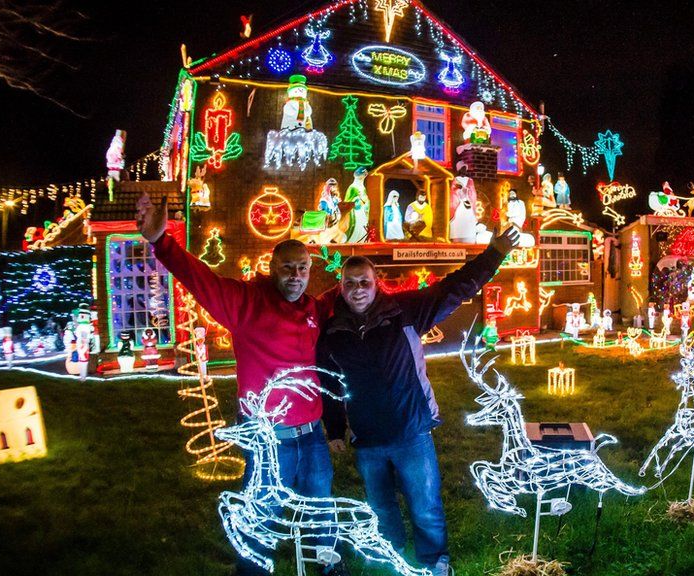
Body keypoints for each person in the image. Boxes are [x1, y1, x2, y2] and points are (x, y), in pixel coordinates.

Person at [135, 193, 347, 576]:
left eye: (302, 268)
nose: (296, 276)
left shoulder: (313, 309)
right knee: (260, 513)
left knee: (321, 506)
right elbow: (201, 279)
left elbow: (343, 296)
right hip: (267, 437)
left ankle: (328, 567)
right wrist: (160, 241)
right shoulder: (245, 303)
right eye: (287, 268)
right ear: (271, 267)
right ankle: (252, 572)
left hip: (312, 434)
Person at [319, 225, 521, 576]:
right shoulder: (332, 332)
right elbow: (329, 382)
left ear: (376, 281)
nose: (357, 290)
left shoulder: (404, 311)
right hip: (367, 439)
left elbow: (455, 287)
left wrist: (495, 253)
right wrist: (335, 428)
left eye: (364, 282)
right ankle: (392, 556)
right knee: (381, 509)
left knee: (426, 507)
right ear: (341, 286)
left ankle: (434, 561)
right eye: (350, 283)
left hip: (412, 430)